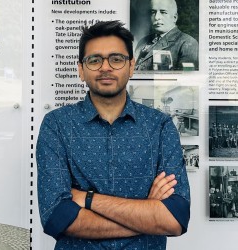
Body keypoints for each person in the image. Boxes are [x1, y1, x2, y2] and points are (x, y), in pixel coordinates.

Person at [36, 20, 190, 250]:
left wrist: (87, 199)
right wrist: (148, 214)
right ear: (81, 70)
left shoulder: (160, 126)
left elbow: (176, 218)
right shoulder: (56, 125)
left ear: (131, 67)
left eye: (116, 59)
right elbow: (57, 217)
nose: (105, 67)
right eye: (94, 60)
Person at [134, 0, 199, 71]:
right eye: (153, 12)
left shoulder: (187, 43)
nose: (156, 17)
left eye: (163, 12)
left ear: (175, 17)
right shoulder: (143, 41)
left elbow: (184, 79)